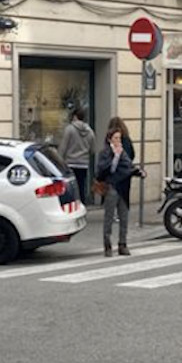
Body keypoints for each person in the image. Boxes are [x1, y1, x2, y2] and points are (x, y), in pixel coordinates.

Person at [96, 128, 139, 257]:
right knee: (109, 217)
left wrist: (137, 172)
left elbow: (128, 165)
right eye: (115, 138)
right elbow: (104, 169)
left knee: (124, 216)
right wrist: (115, 157)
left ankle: (122, 243)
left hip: (123, 188)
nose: (118, 141)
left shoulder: (123, 152)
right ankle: (107, 245)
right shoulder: (105, 153)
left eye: (119, 138)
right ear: (109, 139)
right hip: (111, 187)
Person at [58, 110, 95, 201]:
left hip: (70, 163)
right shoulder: (90, 131)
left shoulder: (69, 129)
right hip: (83, 164)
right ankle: (82, 203)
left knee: (71, 188)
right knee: (81, 186)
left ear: (75, 117)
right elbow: (93, 149)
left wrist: (59, 160)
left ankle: (73, 204)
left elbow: (63, 146)